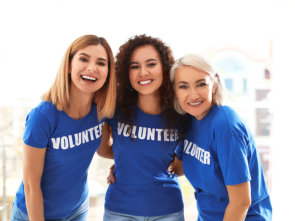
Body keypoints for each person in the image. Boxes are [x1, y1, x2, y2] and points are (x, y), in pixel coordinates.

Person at [10, 34, 116, 221]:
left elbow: (105, 150)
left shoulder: (101, 112)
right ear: (69, 65)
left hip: (76, 211)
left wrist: (128, 163)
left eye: (101, 63)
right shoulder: (42, 117)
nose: (92, 68)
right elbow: (30, 184)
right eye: (83, 59)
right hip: (34, 214)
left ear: (108, 72)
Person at [169, 54, 272, 221]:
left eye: (201, 84)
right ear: (175, 91)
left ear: (214, 85)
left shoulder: (225, 126)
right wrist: (129, 166)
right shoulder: (190, 121)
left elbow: (241, 202)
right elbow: (178, 166)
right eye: (184, 86)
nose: (193, 95)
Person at [97, 34, 185, 221]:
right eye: (134, 66)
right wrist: (127, 159)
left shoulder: (181, 112)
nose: (143, 72)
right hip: (119, 209)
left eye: (151, 64)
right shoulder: (114, 107)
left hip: (168, 210)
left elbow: (183, 164)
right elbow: (104, 150)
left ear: (165, 68)